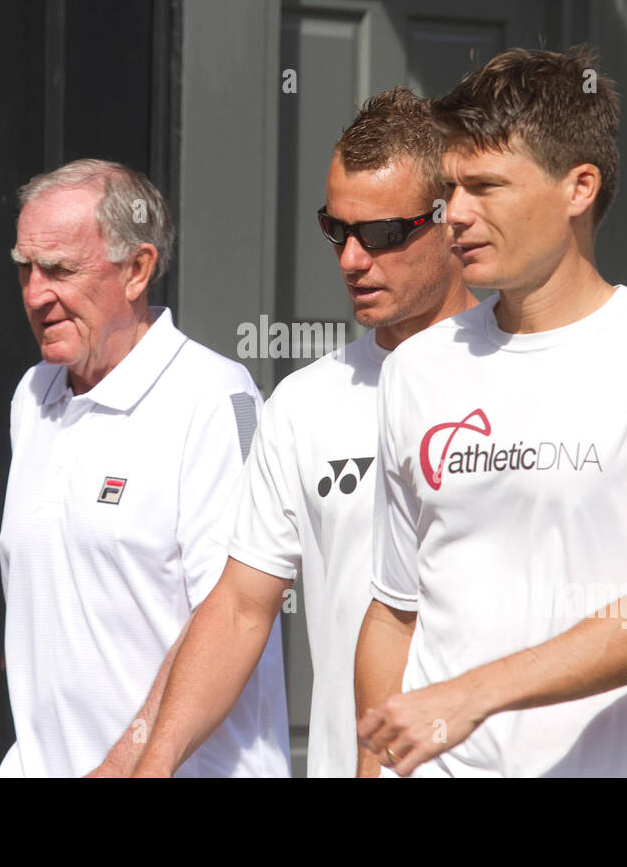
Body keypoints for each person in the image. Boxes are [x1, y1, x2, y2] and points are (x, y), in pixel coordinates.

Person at [355, 47, 627, 777]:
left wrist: (475, 695)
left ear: (578, 187)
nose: (453, 215)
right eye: (449, 189)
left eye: (484, 186)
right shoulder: (419, 368)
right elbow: (397, 610)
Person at [125, 88, 477, 777]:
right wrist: (153, 760)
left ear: (450, 221)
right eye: (334, 230)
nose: (350, 260)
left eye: (380, 235)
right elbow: (238, 608)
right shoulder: (304, 403)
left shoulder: (520, 374)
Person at [0, 159, 289, 777]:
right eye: (25, 267)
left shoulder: (213, 396)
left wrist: (129, 762)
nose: (34, 294)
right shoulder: (33, 396)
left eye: (60, 270)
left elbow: (231, 614)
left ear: (137, 270)